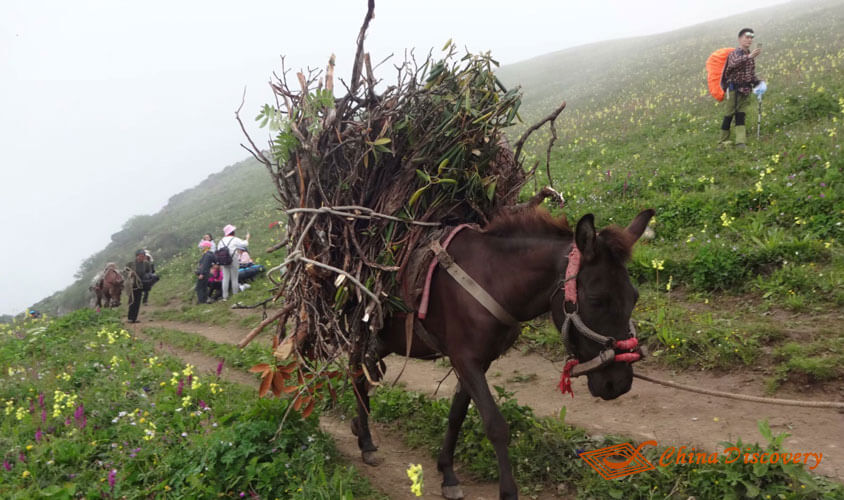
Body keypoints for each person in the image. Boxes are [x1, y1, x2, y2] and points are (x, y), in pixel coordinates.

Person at [718, 28, 762, 149]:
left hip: (745, 90)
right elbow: (733, 64)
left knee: (741, 115)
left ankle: (740, 142)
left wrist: (758, 83)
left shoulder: (748, 55)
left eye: (751, 37)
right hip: (734, 90)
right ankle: (722, 142)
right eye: (746, 37)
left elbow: (750, 73)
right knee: (729, 115)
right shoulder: (735, 53)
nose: (749, 40)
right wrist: (749, 56)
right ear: (740, 39)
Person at [218, 224, 249, 300]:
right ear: (232, 232)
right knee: (234, 278)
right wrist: (247, 238)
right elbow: (244, 244)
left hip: (224, 261)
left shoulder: (221, 241)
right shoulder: (234, 239)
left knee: (225, 278)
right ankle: (235, 295)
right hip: (233, 259)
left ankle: (225, 297)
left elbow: (218, 250)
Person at [126, 249, 153, 323]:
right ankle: (130, 318)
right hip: (132, 285)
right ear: (137, 256)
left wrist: (147, 278)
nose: (142, 258)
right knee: (132, 301)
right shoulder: (130, 264)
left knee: (138, 301)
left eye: (143, 256)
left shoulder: (146, 264)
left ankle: (134, 318)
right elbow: (125, 272)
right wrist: (130, 274)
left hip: (141, 284)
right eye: (141, 256)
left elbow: (149, 272)